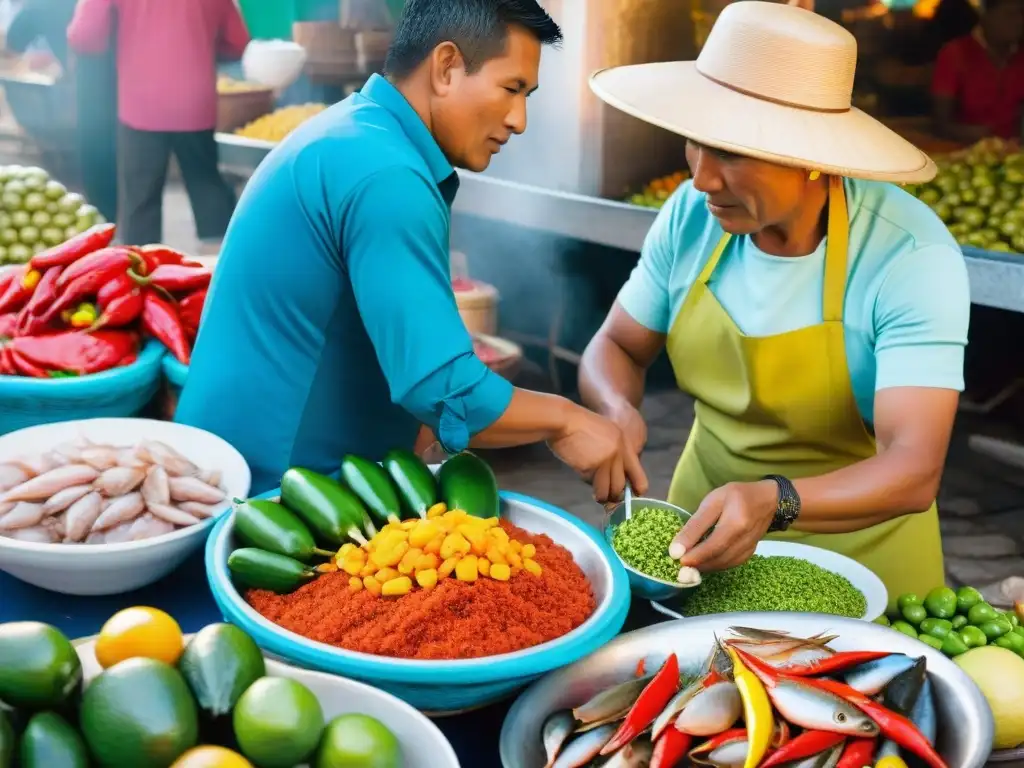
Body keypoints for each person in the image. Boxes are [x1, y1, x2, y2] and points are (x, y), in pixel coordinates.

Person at [175, 0, 648, 501]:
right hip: (269, 493)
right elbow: (443, 387)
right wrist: (567, 420)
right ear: (446, 67)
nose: (519, 120)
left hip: (240, 468)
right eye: (511, 89)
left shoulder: (360, 133)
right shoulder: (388, 175)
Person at [579, 1, 969, 599]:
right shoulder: (690, 217)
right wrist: (613, 410)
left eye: (732, 153)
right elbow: (618, 346)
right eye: (695, 143)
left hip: (861, 565)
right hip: (696, 547)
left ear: (813, 158)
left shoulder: (908, 255)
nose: (703, 178)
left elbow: (914, 467)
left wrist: (776, 500)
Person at [66, 0, 249, 248]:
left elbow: (84, 35)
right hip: (195, 101)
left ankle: (140, 271)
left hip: (141, 104)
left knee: (140, 201)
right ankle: (220, 266)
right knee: (207, 185)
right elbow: (237, 42)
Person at [4, 0, 119, 223]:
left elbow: (13, 46)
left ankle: (102, 217)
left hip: (91, 82)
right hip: (125, 82)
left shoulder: (39, 6)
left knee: (95, 153)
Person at [932, 0, 1024, 143]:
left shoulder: (1020, 55)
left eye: (1022, 14)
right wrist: (975, 135)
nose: (1019, 22)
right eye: (1010, 15)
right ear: (986, 16)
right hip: (965, 153)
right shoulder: (955, 54)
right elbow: (941, 123)